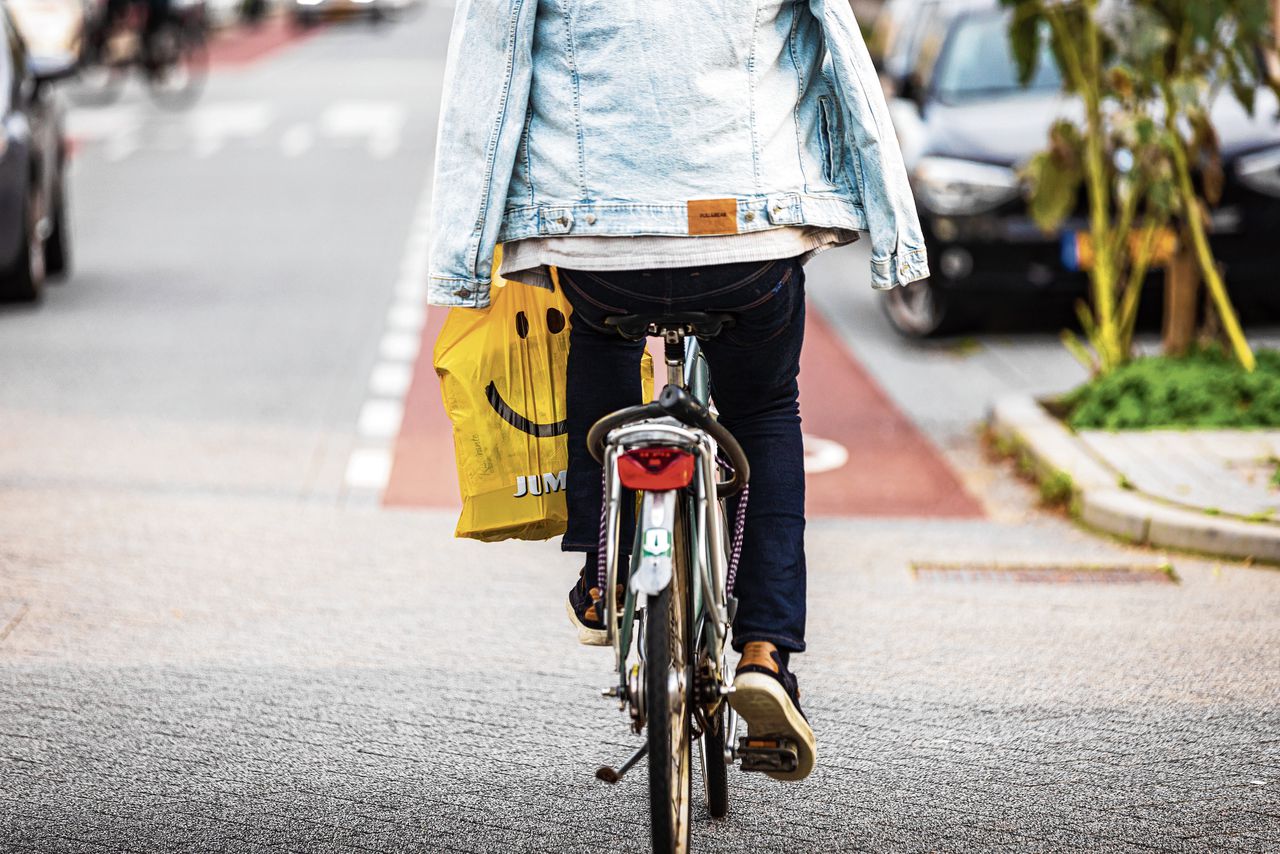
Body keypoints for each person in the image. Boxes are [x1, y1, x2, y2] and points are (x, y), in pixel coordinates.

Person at [427, 0, 928, 781]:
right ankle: (764, 653)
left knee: (594, 338)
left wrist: (462, 263)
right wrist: (889, 235)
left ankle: (601, 570)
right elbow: (847, 64)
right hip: (747, 236)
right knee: (764, 410)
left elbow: (484, 85)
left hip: (595, 239)